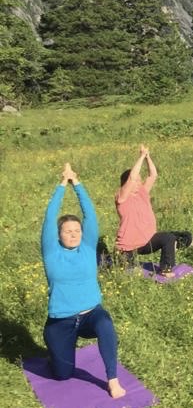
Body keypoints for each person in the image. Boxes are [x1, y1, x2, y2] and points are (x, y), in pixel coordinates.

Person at [41, 163, 126, 399]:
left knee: (105, 323)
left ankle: (112, 379)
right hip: (61, 321)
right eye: (67, 231)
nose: (73, 234)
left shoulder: (88, 247)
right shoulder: (51, 252)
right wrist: (61, 184)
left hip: (90, 315)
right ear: (58, 235)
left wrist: (76, 182)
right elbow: (49, 218)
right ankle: (55, 352)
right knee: (62, 375)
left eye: (77, 230)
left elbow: (90, 213)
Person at [115, 145, 192, 276]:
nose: (139, 182)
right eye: (137, 181)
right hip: (129, 247)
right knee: (129, 271)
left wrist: (147, 157)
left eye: (140, 180)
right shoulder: (121, 197)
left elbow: (153, 175)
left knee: (176, 237)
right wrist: (141, 156)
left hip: (147, 241)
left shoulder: (142, 193)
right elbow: (132, 177)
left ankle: (166, 269)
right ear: (126, 183)